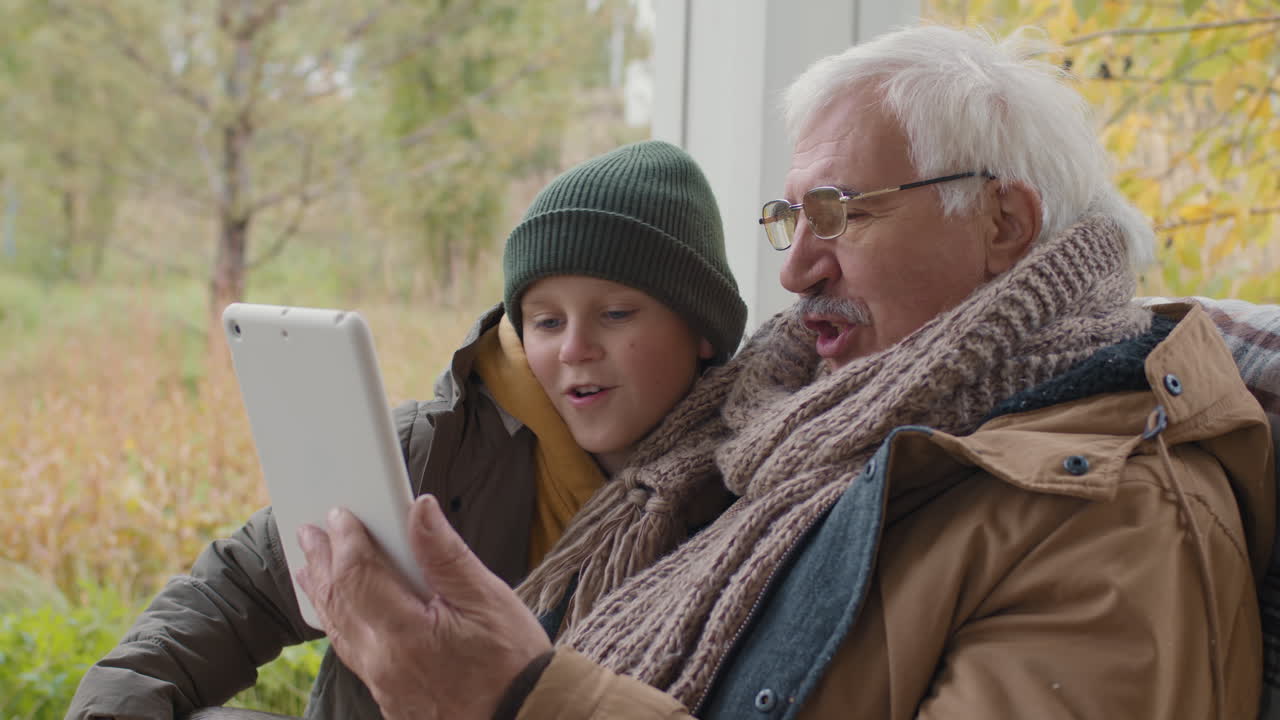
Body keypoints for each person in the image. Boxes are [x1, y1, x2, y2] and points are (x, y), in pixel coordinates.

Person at [293, 24, 1277, 720]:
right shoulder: (770, 433)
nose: (796, 269)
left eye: (840, 212)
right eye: (790, 218)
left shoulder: (1115, 521)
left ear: (1002, 223)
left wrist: (519, 698)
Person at [65, 140, 748, 720]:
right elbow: (239, 587)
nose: (574, 348)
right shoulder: (432, 451)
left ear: (702, 330)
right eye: (546, 321)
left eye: (617, 314)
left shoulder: (750, 502)